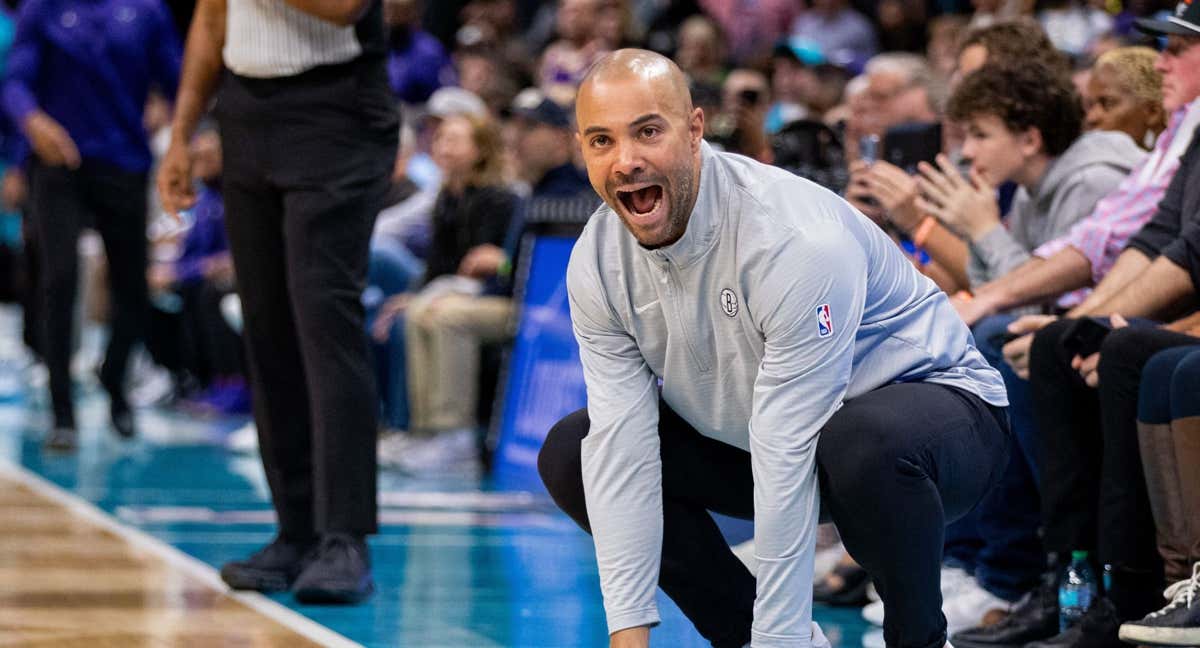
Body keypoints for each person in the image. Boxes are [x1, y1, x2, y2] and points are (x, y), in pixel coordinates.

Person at [537, 48, 1010, 648]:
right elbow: (621, 447)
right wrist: (627, 635)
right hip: (769, 439)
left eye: (648, 132)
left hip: (941, 423)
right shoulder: (597, 261)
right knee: (576, 451)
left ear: (694, 130)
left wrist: (778, 637)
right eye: (602, 141)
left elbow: (789, 444)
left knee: (861, 443)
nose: (626, 161)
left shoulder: (792, 239)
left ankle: (919, 640)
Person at [157, 0, 398, 604]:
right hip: (246, 113)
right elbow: (212, 18)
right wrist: (182, 134)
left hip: (336, 110)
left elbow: (344, 7)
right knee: (266, 330)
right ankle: (294, 531)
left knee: (324, 320)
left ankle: (345, 538)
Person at [3, 0, 182, 449]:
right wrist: (32, 120)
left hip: (124, 162)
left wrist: (186, 129)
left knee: (133, 289)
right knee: (59, 278)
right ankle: (62, 411)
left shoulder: (147, 10)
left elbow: (180, 78)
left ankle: (114, 376)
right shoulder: (43, 8)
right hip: (57, 162)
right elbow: (15, 82)